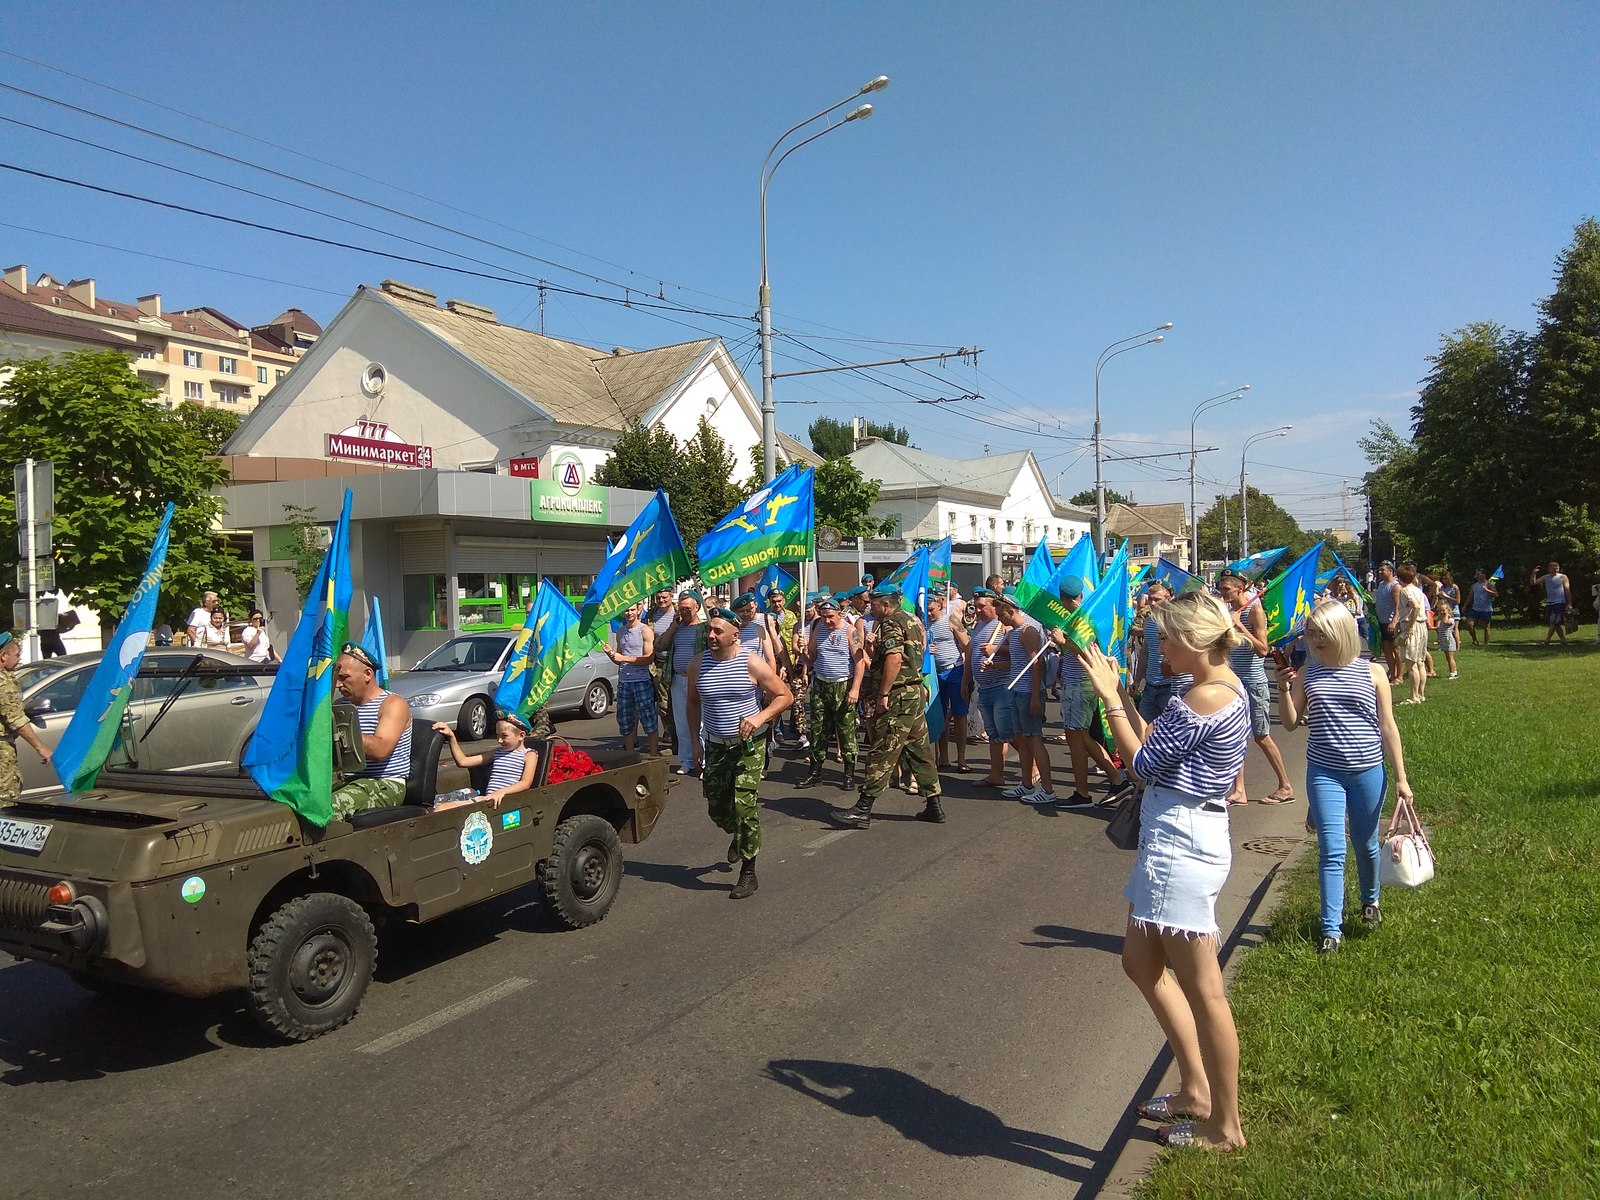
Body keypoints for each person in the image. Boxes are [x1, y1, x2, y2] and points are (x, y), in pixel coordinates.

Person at [1080, 591, 1250, 1153]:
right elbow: (1157, 742)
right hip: (1175, 839)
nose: (1161, 650)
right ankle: (1195, 1088)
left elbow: (1143, 763)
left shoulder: (1204, 697)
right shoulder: (1216, 687)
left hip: (1182, 846)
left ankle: (1225, 1125)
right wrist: (1125, 697)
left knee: (1206, 992)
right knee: (1139, 962)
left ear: (1196, 641)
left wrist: (1109, 702)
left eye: (1167, 641)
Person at [1275, 601, 1411, 954]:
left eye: (1323, 633)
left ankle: (1371, 901)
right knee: (1331, 851)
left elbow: (1388, 727)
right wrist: (1283, 689)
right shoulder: (1309, 671)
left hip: (1368, 770)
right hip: (1325, 773)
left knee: (1365, 845)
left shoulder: (1373, 672)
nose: (1316, 640)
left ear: (1342, 632)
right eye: (1312, 633)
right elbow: (1291, 724)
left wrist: (1401, 778)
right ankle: (1331, 931)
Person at [686, 606, 792, 900]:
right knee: (717, 808)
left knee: (744, 806)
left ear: (735, 635)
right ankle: (738, 834)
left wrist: (759, 718)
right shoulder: (697, 665)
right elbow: (693, 703)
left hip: (749, 745)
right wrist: (694, 742)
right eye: (709, 630)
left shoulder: (752, 663)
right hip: (716, 745)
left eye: (718, 631)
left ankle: (748, 871)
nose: (711, 635)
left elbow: (785, 696)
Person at [833, 582, 944, 828]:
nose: (871, 607)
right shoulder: (913, 620)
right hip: (914, 692)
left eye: (874, 604)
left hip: (897, 696)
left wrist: (883, 693)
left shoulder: (891, 623)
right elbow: (921, 649)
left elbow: (894, 658)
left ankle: (863, 808)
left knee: (882, 749)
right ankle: (934, 806)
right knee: (919, 751)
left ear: (886, 604)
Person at [1052, 575, 1136, 810]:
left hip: (1081, 684)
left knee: (1078, 736)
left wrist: (1062, 641)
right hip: (1078, 683)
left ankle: (1105, 784)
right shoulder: (1079, 615)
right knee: (1078, 737)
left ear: (1062, 596)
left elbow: (1087, 651)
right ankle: (1108, 782)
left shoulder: (1082, 618)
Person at [1217, 571, 1296, 804]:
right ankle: (1239, 790)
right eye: (1221, 590)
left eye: (1226, 590)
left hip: (1253, 682)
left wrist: (1239, 625)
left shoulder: (1255, 610)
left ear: (1240, 589)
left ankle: (1285, 785)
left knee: (1261, 735)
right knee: (1236, 735)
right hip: (1233, 682)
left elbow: (1263, 650)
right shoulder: (1227, 612)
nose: (1222, 594)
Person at [330, 643, 413, 820]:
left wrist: (341, 736)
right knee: (301, 800)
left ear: (367, 674)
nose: (338, 684)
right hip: (347, 779)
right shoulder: (340, 706)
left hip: (385, 784)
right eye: (337, 677)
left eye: (344, 677)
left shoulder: (392, 704)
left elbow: (380, 749)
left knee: (331, 807)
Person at [994, 589, 1056, 805]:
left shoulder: (1027, 632)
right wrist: (996, 664)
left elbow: (1036, 664)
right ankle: (1026, 783)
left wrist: (1035, 698)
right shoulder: (1013, 633)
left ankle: (1047, 790)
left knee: (1035, 739)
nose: (999, 618)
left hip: (1029, 692)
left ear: (1010, 611)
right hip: (1016, 690)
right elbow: (1018, 664)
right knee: (1022, 738)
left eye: (1001, 614)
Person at [801, 596, 863, 789]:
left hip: (842, 684)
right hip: (821, 683)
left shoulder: (849, 631)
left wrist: (855, 689)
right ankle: (815, 771)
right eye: (823, 616)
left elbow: (860, 662)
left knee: (846, 730)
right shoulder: (818, 629)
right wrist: (803, 651)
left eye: (830, 616)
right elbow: (811, 657)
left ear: (839, 614)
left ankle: (848, 774)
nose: (826, 620)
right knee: (818, 729)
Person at [962, 587, 1018, 788]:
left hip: (1001, 685)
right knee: (994, 735)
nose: (977, 610)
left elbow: (1019, 654)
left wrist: (997, 649)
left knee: (1008, 733)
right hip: (983, 686)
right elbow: (970, 655)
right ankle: (996, 774)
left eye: (981, 606)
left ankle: (1033, 767)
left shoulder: (1003, 626)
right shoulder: (979, 626)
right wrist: (965, 681)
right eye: (975, 606)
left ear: (994, 606)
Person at [432, 709, 539, 809]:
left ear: (521, 736)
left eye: (504, 736)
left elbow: (526, 783)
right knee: (436, 808)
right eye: (497, 735)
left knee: (442, 808)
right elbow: (463, 761)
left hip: (504, 802)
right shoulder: (498, 752)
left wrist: (502, 792)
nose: (500, 740)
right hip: (487, 800)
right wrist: (451, 736)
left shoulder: (529, 754)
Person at [0, 631, 51, 804]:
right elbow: (16, 720)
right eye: (17, 655)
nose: (19, 659)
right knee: (5, 802)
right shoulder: (3, 681)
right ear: (3, 656)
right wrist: (41, 748)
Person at [606, 602, 659, 756]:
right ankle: (629, 755)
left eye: (632, 610)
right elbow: (619, 659)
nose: (629, 613)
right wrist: (611, 655)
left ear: (638, 610)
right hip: (624, 682)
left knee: (648, 718)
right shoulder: (621, 632)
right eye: (626, 610)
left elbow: (648, 659)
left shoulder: (645, 631)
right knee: (625, 719)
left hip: (641, 680)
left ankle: (653, 755)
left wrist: (623, 658)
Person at [926, 591, 971, 772]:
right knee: (940, 715)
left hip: (954, 670)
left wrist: (967, 676)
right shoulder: (923, 624)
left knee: (960, 715)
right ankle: (943, 756)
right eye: (926, 610)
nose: (929, 613)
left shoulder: (950, 620)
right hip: (935, 674)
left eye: (931, 609)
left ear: (939, 604)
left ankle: (961, 759)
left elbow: (967, 645)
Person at [667, 591, 707, 776]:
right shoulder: (677, 627)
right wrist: (674, 627)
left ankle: (704, 761)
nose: (684, 612)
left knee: (701, 723)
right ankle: (686, 760)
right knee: (681, 723)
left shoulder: (704, 629)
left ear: (697, 608)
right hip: (678, 679)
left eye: (687, 608)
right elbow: (660, 645)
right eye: (681, 608)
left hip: (698, 681)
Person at [647, 587, 678, 754]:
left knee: (679, 702)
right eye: (658, 597)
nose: (661, 600)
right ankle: (672, 736)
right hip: (658, 665)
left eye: (664, 597)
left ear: (671, 597)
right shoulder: (651, 615)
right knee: (664, 704)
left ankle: (680, 740)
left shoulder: (679, 613)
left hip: (677, 663)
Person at [1394, 563, 1430, 704]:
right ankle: (1421, 694)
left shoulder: (1405, 591)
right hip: (1422, 626)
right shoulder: (1418, 590)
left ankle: (1414, 697)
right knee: (1420, 662)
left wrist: (1409, 626)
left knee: (1411, 663)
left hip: (1412, 626)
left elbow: (1415, 606)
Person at [1372, 562, 1402, 682]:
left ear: (1390, 571)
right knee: (1386, 648)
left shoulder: (1395, 586)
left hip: (1391, 622)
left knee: (1395, 648)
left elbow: (1398, 607)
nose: (1380, 572)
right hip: (1382, 621)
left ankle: (1399, 675)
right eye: (1379, 570)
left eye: (1382, 570)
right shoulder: (1380, 585)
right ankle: (1392, 674)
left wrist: (1394, 622)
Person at [1532, 561, 1571, 646]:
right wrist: (1534, 573)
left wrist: (1569, 603)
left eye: (1557, 568)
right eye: (1553, 568)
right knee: (1555, 623)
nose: (1555, 570)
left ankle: (1547, 641)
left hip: (1560, 602)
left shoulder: (1563, 577)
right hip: (1550, 602)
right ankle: (1563, 640)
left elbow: (1567, 590)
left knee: (1554, 622)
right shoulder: (1546, 577)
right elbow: (1533, 582)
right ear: (1549, 569)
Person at [1464, 568, 1497, 646]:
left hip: (1486, 609)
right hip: (1475, 609)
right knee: (1469, 624)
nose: (1477, 576)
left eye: (1479, 574)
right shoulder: (1474, 585)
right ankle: (1474, 640)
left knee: (1486, 627)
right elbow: (1470, 596)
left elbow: (1496, 594)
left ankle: (1486, 643)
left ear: (1484, 575)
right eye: (1476, 574)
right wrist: (1465, 605)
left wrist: (1487, 590)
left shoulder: (1489, 584)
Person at [1434, 591, 1459, 680]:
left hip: (1449, 640)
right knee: (1447, 658)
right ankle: (1452, 671)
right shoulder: (1441, 620)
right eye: (1440, 611)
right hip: (1443, 640)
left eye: (1444, 610)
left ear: (1448, 611)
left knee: (1450, 657)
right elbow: (1437, 627)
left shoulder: (1451, 620)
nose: (1442, 612)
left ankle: (1453, 673)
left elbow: (1446, 622)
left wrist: (1445, 616)